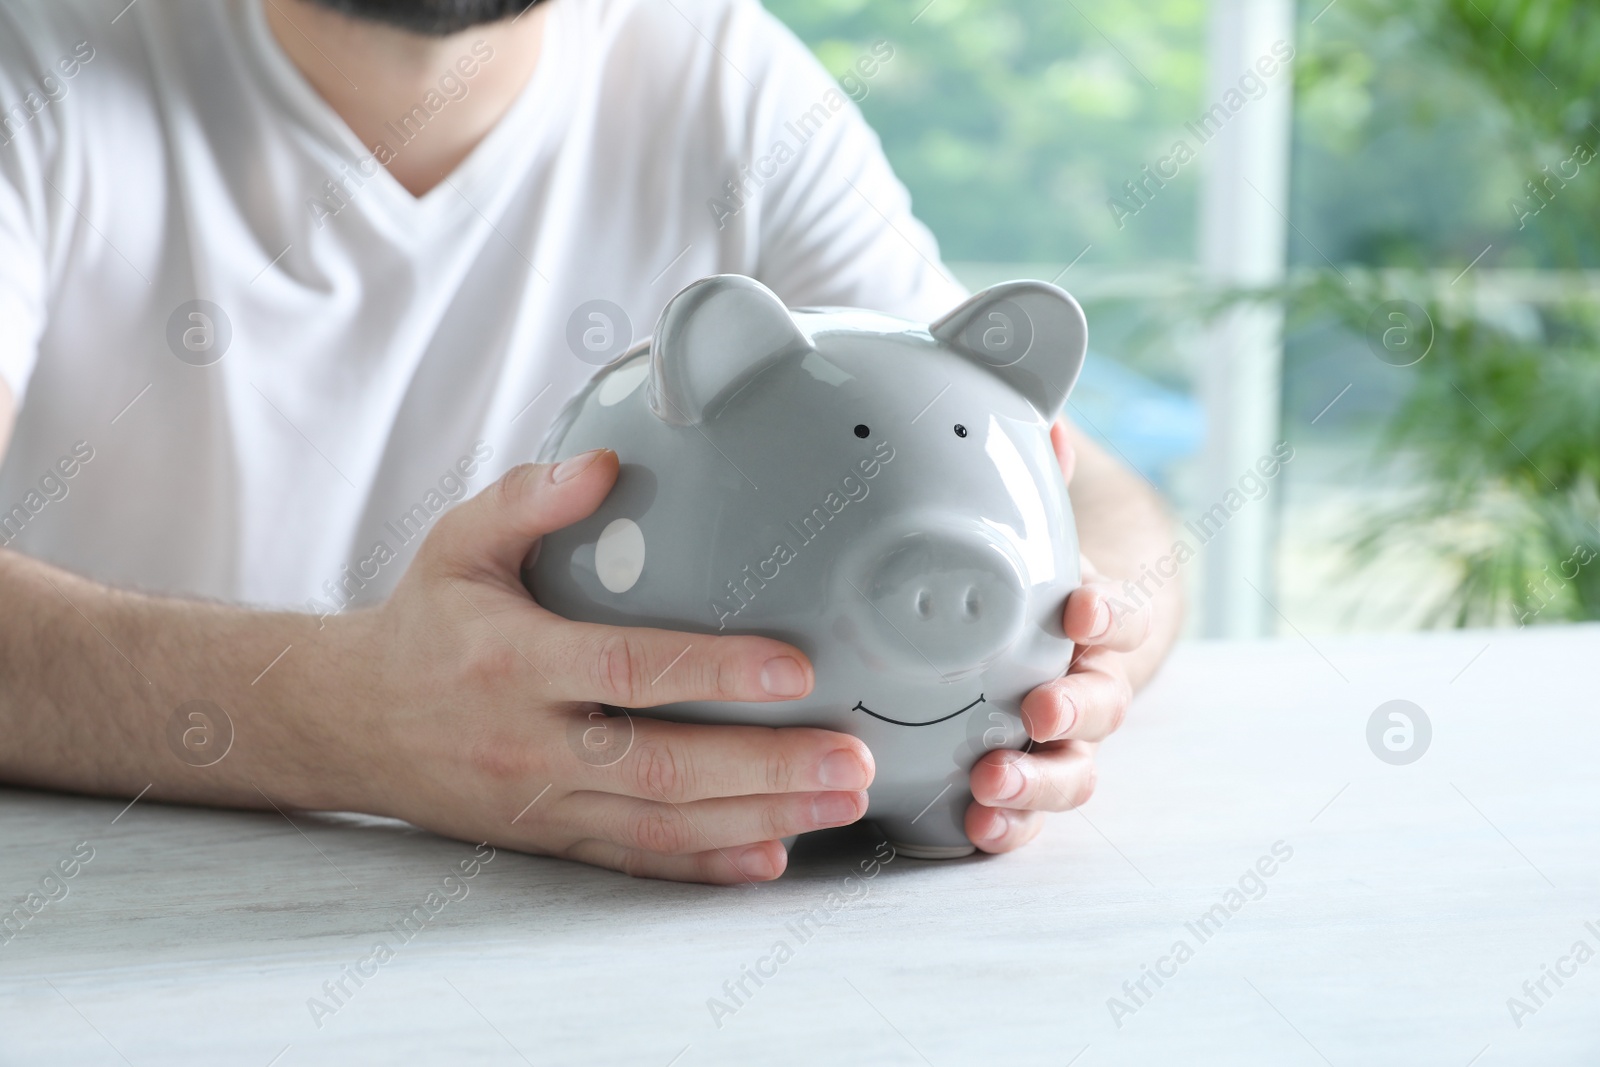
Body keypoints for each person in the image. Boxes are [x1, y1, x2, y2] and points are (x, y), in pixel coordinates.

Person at [0, 0, 1181, 883]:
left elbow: (1084, 482)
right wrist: (352, 720)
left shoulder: (723, 74)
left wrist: (1078, 653)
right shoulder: (42, 59)